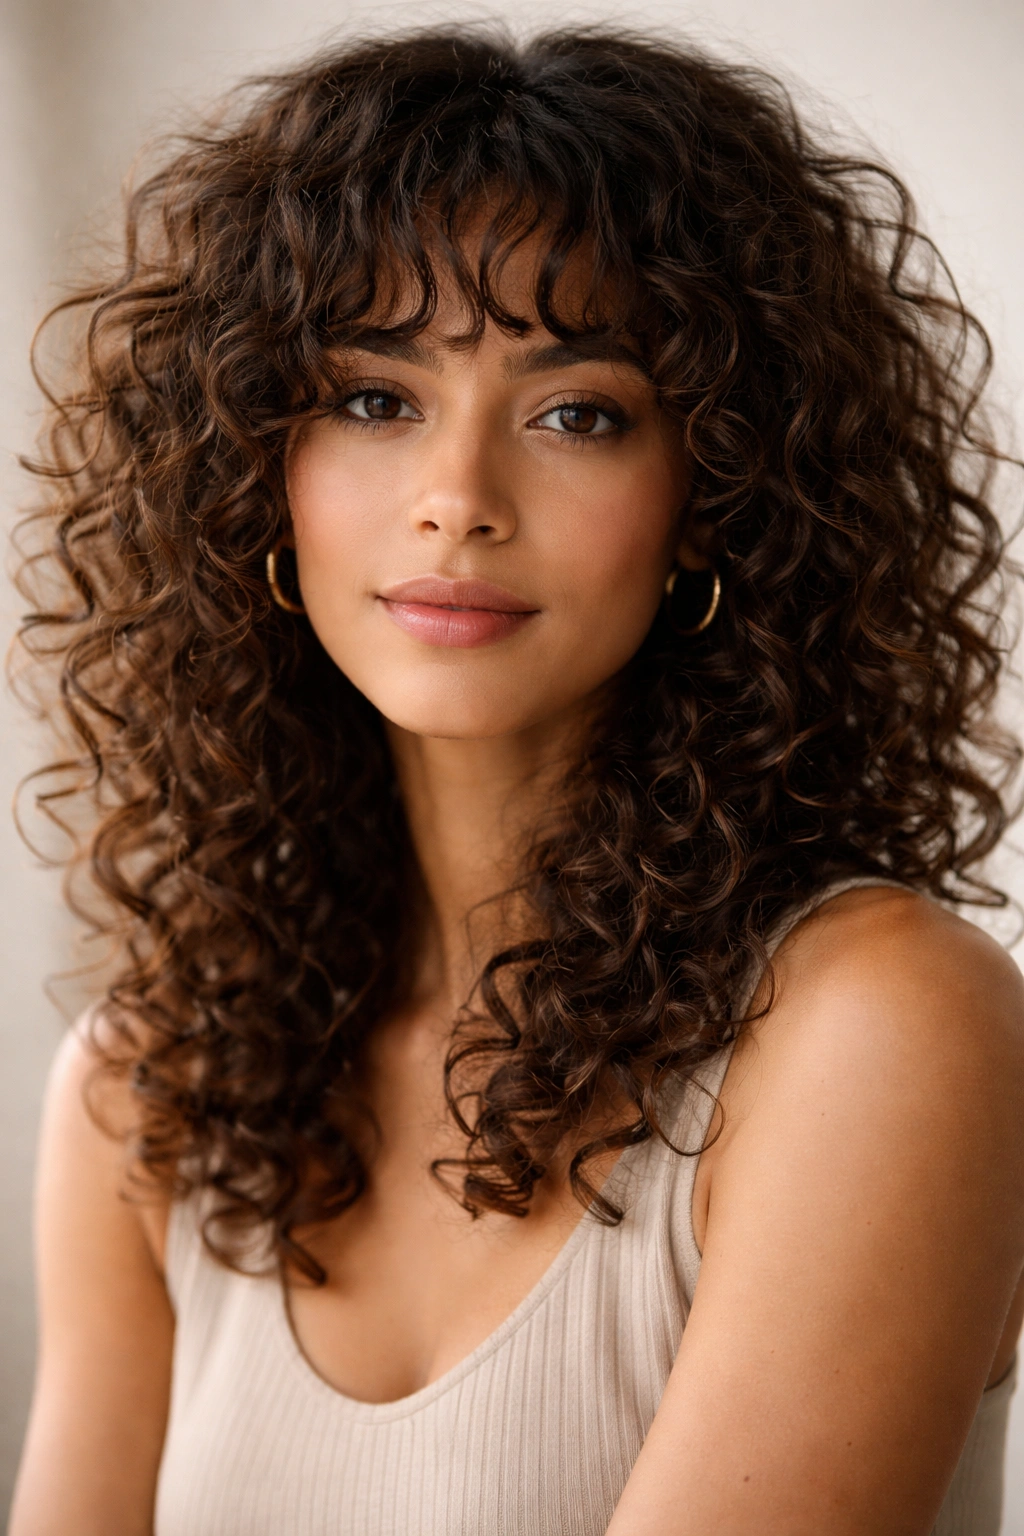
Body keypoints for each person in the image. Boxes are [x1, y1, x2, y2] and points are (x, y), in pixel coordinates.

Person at [8, 26, 1024, 1536]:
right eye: (372, 398)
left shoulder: (877, 1029)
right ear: (250, 473)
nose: (457, 503)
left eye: (579, 413)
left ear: (715, 495)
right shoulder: (148, 1089)